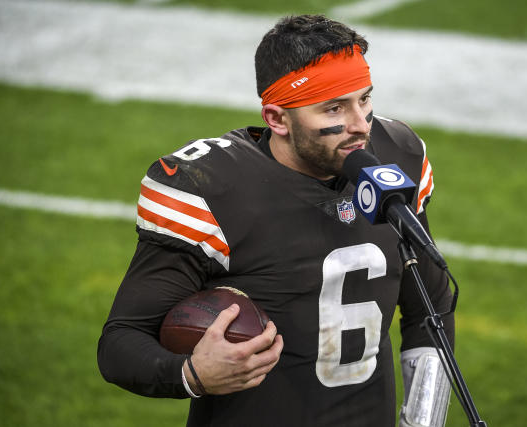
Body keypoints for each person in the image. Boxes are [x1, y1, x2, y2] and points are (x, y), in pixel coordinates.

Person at [98, 14, 454, 427]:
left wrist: (423, 422)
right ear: (277, 119)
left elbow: (431, 306)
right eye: (334, 108)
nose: (360, 126)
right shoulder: (212, 187)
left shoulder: (399, 156)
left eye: (365, 99)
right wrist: (192, 375)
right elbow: (121, 342)